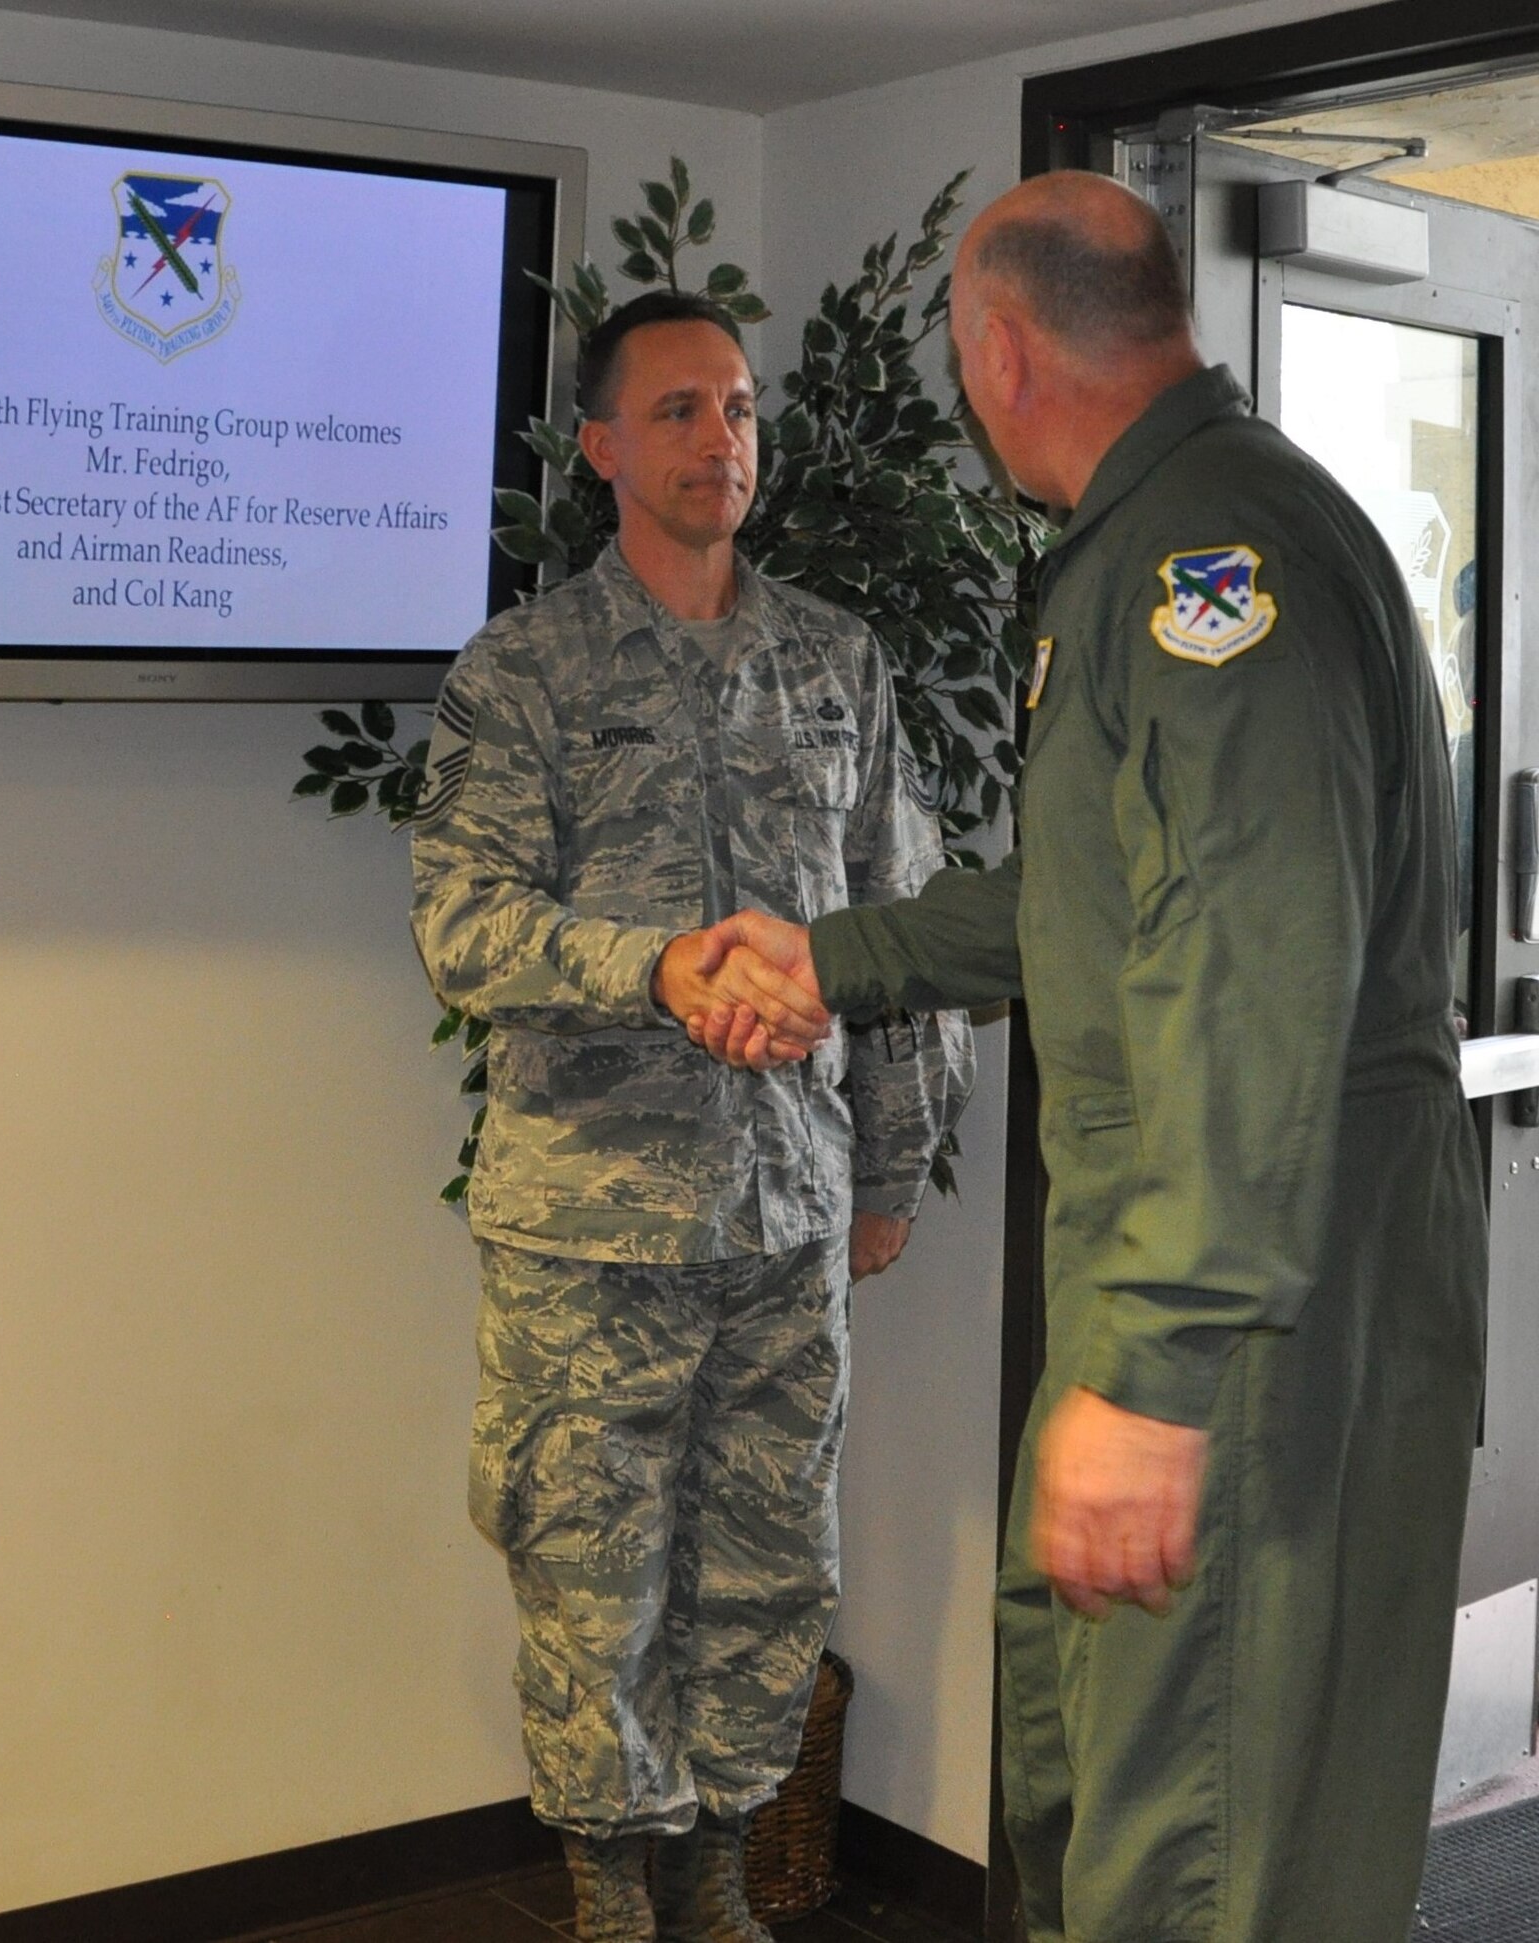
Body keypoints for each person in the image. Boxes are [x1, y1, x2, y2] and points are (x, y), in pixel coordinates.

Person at [689, 172, 1488, 1943]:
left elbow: (1252, 973)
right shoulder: (1169, 533)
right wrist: (838, 956)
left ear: (998, 349)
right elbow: (1100, 896)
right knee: (1106, 1786)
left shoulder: (1223, 569)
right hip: (1191, 1278)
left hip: (1248, 1312)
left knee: (1196, 1845)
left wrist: (1165, 1366)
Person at [409, 290, 973, 1943]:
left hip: (789, 1219)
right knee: (591, 1579)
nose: (718, 439)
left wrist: (889, 1169)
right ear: (599, 449)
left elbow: (902, 930)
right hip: (593, 1229)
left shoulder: (835, 661)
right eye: (676, 411)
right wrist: (656, 968)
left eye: (737, 409)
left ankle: (722, 1877)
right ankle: (609, 1896)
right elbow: (464, 929)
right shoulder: (522, 672)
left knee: (768, 1568)